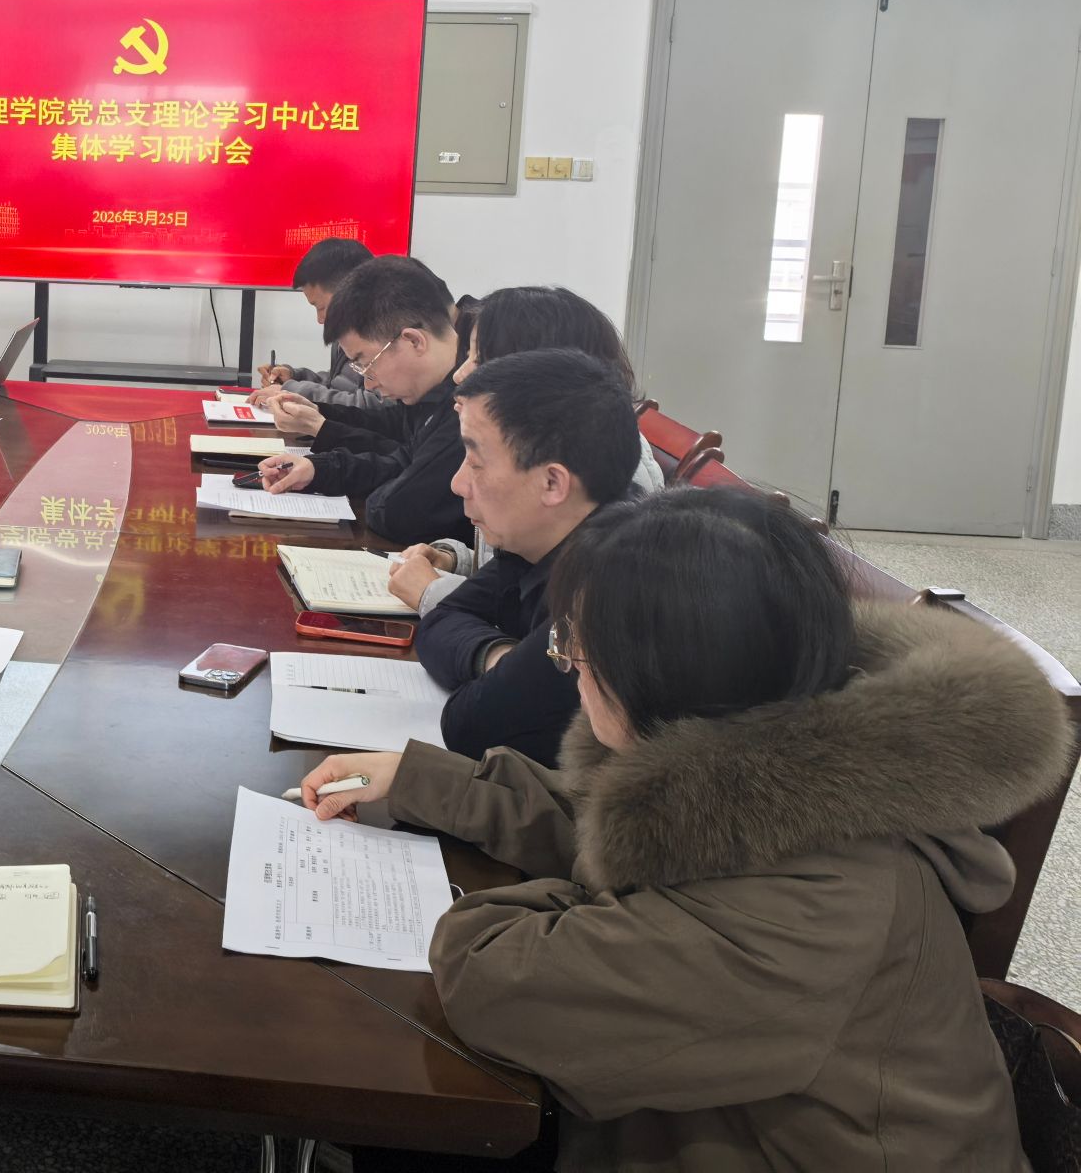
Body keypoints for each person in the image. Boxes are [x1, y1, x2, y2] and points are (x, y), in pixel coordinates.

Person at [297, 488, 1071, 1173]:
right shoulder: (794, 777)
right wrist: (429, 782)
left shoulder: (820, 904)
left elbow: (492, 979)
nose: (569, 668)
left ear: (663, 678)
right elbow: (627, 832)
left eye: (574, 649)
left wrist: (572, 900)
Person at [396, 348, 641, 766]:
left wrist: (514, 671)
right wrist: (501, 657)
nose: (458, 484)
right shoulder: (541, 538)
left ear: (552, 483)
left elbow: (467, 725)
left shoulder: (610, 589)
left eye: (475, 462)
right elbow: (440, 620)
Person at [388, 286, 662, 618]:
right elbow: (514, 568)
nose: (459, 375)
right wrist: (453, 558)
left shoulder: (608, 475)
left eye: (480, 360)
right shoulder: (527, 441)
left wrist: (432, 595)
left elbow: (538, 618)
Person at [253, 256, 472, 548]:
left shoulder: (469, 406)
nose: (368, 383)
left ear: (413, 341)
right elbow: (402, 458)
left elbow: (397, 510)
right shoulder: (429, 392)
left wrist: (325, 435)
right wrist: (320, 469)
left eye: (367, 363)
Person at [251, 237, 377, 408]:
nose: (320, 320)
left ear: (351, 293)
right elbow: (338, 385)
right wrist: (294, 377)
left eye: (321, 307)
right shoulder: (347, 331)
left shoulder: (384, 336)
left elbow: (372, 405)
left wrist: (292, 391)